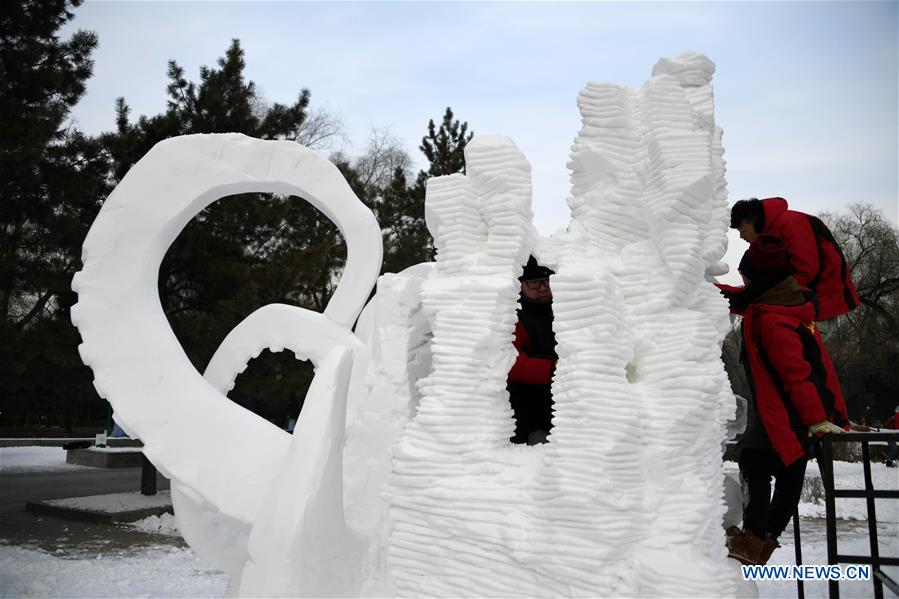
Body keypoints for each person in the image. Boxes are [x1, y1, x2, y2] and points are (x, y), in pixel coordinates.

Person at [717, 236, 849, 566]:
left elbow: (797, 374)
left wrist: (816, 419)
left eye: (745, 274)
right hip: (779, 414)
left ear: (758, 277)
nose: (742, 279)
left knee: (772, 468)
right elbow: (745, 298)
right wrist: (710, 291)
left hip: (792, 416)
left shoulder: (774, 320)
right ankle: (758, 539)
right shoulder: (776, 301)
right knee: (762, 464)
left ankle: (759, 540)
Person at [729, 197, 860, 335]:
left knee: (798, 350)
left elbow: (806, 269)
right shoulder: (766, 239)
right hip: (799, 304)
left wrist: (771, 295)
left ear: (754, 220)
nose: (741, 237)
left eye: (742, 231)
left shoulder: (790, 223)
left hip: (818, 305)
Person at [508, 256, 557, 445]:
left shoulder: (566, 307)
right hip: (528, 399)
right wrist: (552, 368)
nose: (543, 288)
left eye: (547, 282)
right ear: (521, 285)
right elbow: (511, 361)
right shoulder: (511, 314)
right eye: (535, 283)